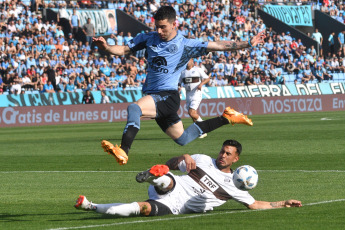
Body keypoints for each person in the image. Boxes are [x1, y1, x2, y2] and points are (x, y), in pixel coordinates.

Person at [93, 6, 265, 165]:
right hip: (156, 97)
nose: (159, 31)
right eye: (157, 27)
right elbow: (123, 50)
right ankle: (226, 118)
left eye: (163, 27)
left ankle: (124, 150)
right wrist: (106, 47)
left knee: (134, 109)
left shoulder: (186, 45)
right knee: (182, 139)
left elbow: (218, 45)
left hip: (167, 95)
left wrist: (247, 43)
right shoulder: (148, 39)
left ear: (174, 24)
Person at [75, 140, 302, 216]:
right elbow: (174, 163)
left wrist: (283, 203)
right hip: (173, 183)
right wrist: (182, 156)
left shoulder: (234, 184)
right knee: (169, 178)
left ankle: (90, 206)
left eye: (228, 154)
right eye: (222, 151)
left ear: (236, 159)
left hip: (175, 205)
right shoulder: (202, 159)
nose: (222, 155)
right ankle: (153, 177)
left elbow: (254, 204)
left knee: (140, 210)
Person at [179, 59, 210, 138]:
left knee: (191, 112)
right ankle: (201, 132)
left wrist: (201, 84)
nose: (187, 62)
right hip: (188, 95)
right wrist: (179, 87)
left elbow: (207, 78)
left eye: (188, 60)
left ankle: (205, 125)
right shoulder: (182, 72)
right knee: (192, 114)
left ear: (192, 61)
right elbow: (179, 83)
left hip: (196, 94)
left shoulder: (197, 69)